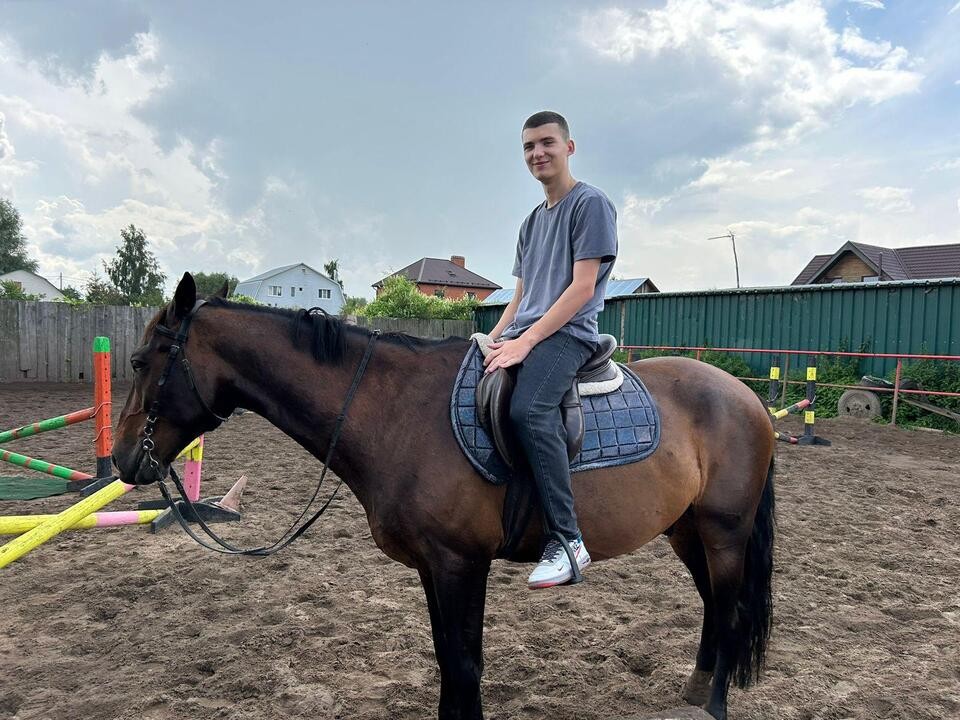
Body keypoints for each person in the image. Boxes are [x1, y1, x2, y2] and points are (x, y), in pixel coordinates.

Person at [484, 111, 618, 589]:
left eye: (546, 143)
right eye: (528, 147)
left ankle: (567, 540)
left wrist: (527, 339)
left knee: (530, 410)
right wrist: (494, 338)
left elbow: (582, 289)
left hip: (569, 334)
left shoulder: (591, 205)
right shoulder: (530, 223)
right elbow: (520, 297)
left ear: (569, 147)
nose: (537, 153)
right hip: (529, 330)